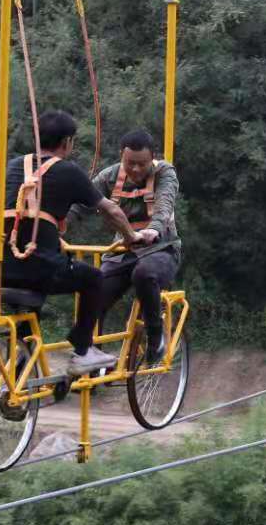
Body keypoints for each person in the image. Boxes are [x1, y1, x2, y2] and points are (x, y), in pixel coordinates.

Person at [2, 110, 142, 375]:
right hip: (40, 268)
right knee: (94, 278)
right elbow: (110, 210)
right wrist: (130, 236)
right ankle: (83, 348)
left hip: (4, 267)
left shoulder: (13, 166)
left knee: (29, 311)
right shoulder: (68, 171)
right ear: (67, 142)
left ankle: (22, 360)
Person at [66, 129, 182, 363]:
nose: (136, 170)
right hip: (123, 251)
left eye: (142, 164)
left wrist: (155, 228)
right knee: (95, 290)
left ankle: (155, 335)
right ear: (121, 156)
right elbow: (80, 204)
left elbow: (165, 202)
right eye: (130, 163)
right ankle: (85, 355)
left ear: (152, 158)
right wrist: (59, 224)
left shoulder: (165, 173)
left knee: (144, 273)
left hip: (161, 248)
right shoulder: (108, 178)